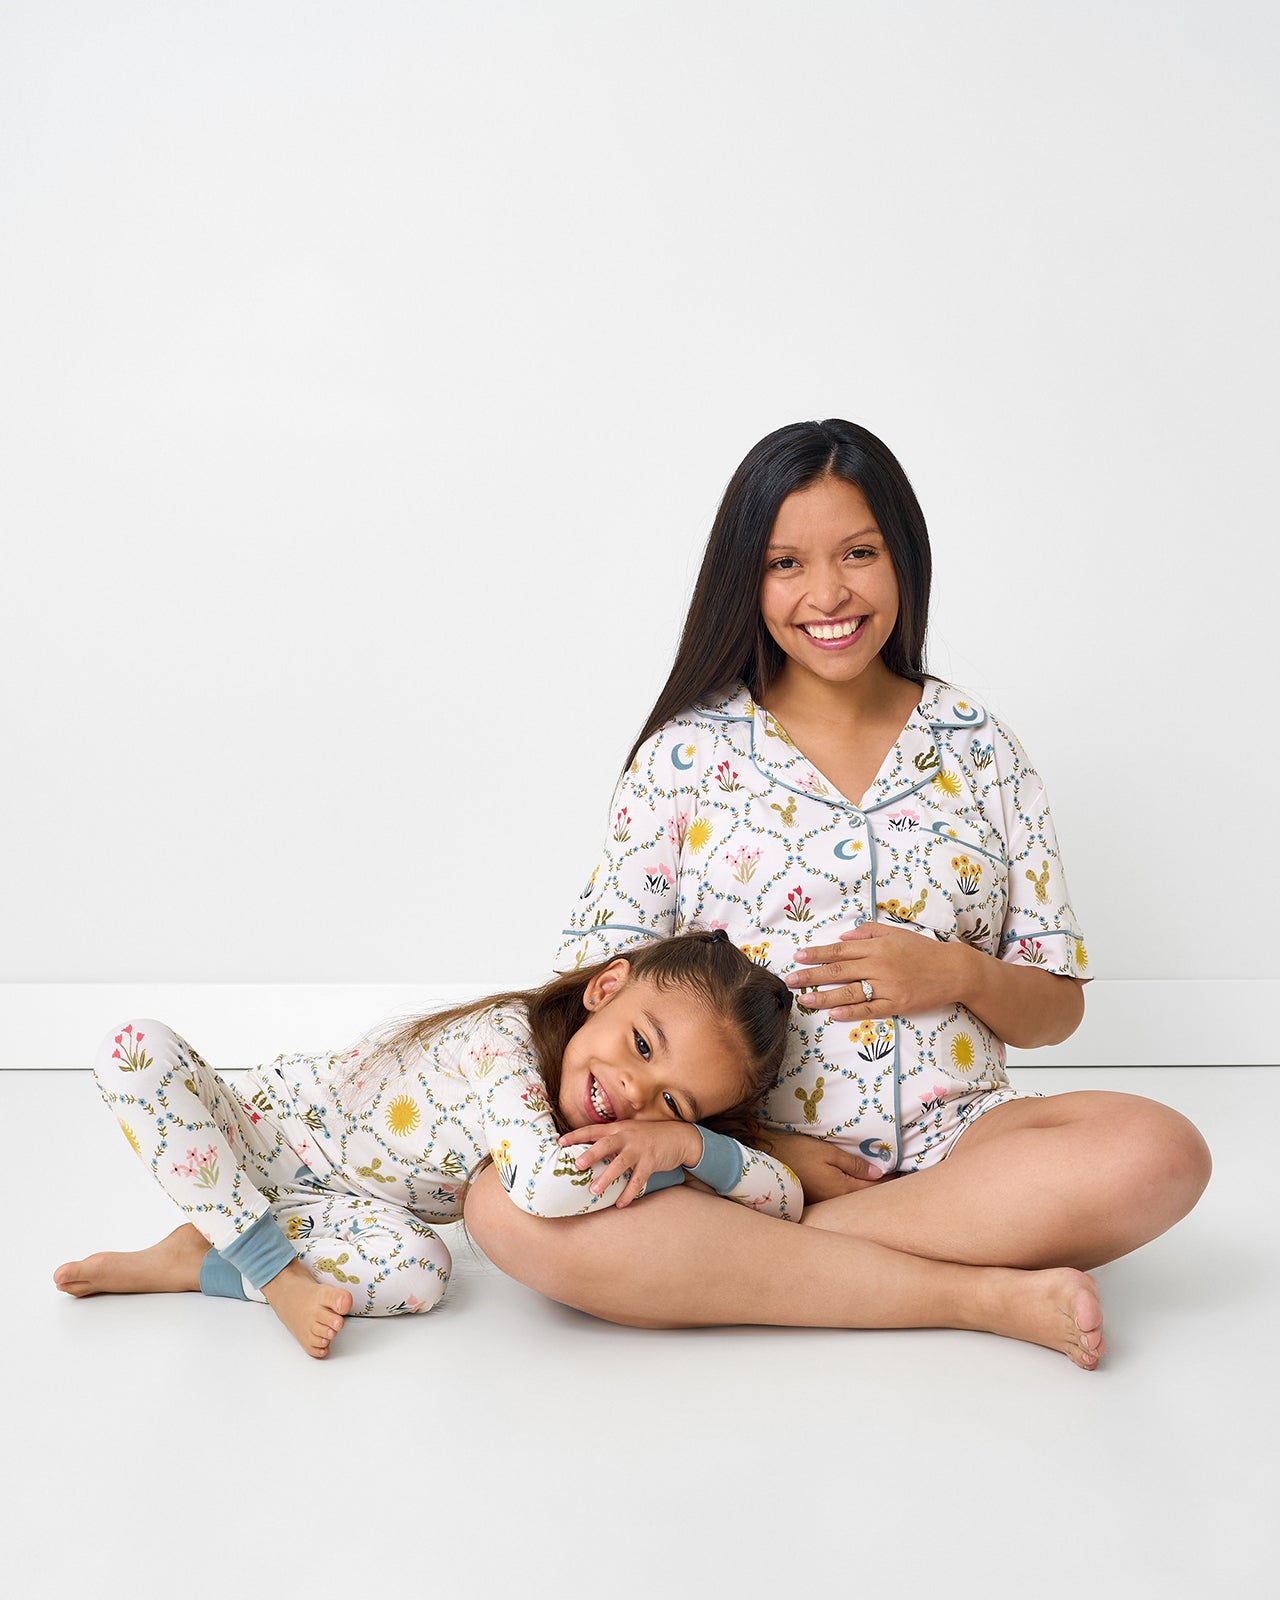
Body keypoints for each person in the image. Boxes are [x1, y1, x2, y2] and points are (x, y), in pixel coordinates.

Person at [462, 418, 1212, 1369]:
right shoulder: (684, 758)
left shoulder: (981, 749)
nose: (828, 594)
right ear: (747, 578)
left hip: (962, 1154)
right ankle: (971, 1293)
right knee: (502, 1207)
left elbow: (1054, 1010)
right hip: (738, 1172)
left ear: (903, 557)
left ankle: (741, 1273)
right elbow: (595, 992)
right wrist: (756, 1153)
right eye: (786, 564)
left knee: (1161, 1150)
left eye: (858, 553)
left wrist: (957, 973)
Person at [53, 931, 803, 1358]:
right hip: (261, 1135)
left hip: (347, 1210)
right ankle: (270, 1272)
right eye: (642, 1043)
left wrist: (692, 1148)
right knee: (134, 1049)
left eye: (674, 1101)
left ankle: (203, 1260)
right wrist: (673, 1147)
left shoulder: (632, 1132)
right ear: (605, 989)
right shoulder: (502, 1040)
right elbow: (543, 1190)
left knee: (423, 1277)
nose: (637, 1093)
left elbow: (787, 1201)